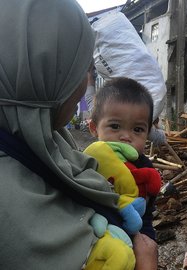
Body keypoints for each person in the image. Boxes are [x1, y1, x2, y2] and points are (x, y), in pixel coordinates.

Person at [0, 0, 157, 269]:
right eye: (80, 67)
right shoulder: (9, 205)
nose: (86, 82)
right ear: (41, 71)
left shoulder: (50, 142)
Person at [85, 77, 162, 237]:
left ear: (147, 133)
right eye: (115, 126)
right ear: (94, 128)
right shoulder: (89, 161)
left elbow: (146, 215)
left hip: (133, 232)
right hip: (94, 232)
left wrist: (147, 240)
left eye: (138, 129)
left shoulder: (145, 168)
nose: (126, 136)